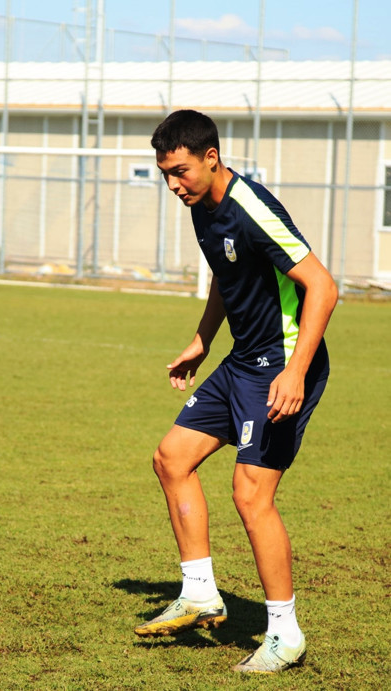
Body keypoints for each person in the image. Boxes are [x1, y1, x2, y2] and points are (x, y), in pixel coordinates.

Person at [134, 109, 338, 673]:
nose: (173, 185)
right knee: (171, 459)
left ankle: (284, 634)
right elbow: (230, 280)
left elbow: (323, 286)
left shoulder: (250, 209)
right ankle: (199, 591)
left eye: (180, 171)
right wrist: (201, 341)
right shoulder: (202, 207)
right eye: (164, 174)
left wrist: (294, 372)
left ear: (211, 158)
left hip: (279, 366)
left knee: (251, 495)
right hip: (241, 361)